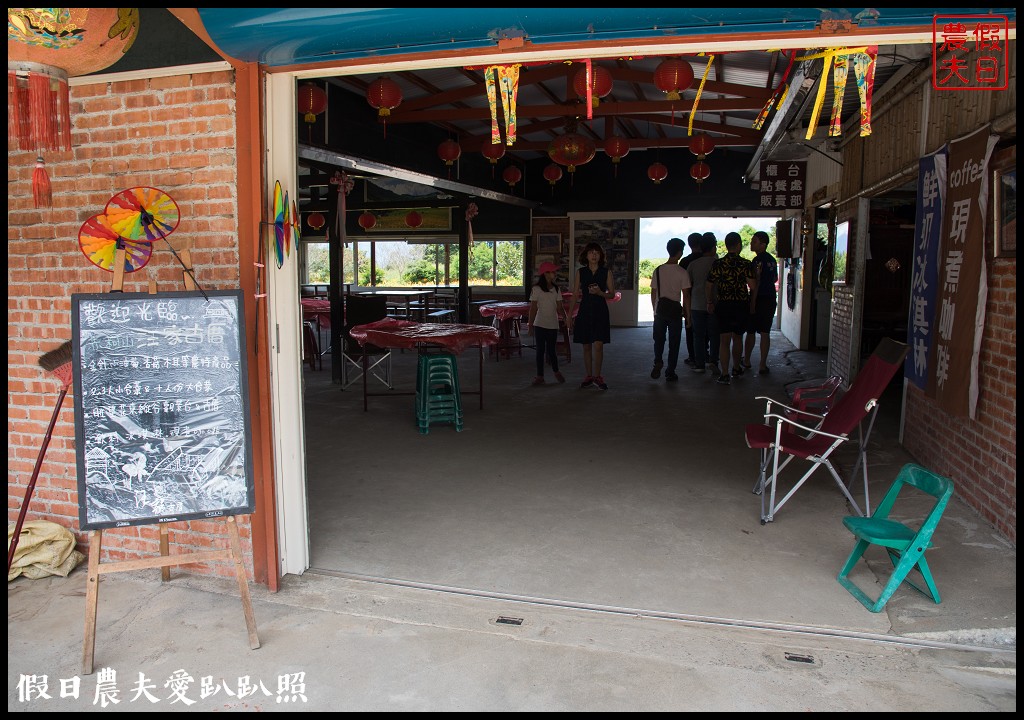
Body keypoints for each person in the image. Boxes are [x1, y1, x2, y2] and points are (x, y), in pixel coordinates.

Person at [705, 231, 754, 385]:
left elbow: (709, 285)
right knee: (738, 337)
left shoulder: (718, 264)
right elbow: (752, 286)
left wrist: (710, 302)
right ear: (739, 245)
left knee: (724, 340)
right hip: (740, 305)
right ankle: (736, 368)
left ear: (726, 246)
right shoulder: (746, 264)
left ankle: (725, 374)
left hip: (723, 305)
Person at [569, 241, 616, 390]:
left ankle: (598, 375)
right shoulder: (581, 272)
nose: (594, 255)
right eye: (591, 252)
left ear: (601, 255)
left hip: (600, 310)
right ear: (586, 255)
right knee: (586, 345)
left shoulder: (606, 272)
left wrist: (600, 293)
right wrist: (569, 315)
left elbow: (612, 294)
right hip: (585, 310)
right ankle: (589, 375)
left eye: (596, 252)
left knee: (599, 344)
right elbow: (575, 294)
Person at [650, 237, 691, 381]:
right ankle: (670, 371)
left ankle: (658, 361)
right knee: (674, 342)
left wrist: (654, 311)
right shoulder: (682, 272)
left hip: (660, 310)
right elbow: (686, 296)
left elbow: (653, 293)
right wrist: (688, 316)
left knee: (659, 339)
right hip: (675, 311)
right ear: (680, 253)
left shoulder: (658, 270)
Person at [743, 230, 779, 375]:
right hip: (770, 298)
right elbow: (775, 278)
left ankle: (746, 361)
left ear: (763, 244)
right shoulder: (772, 259)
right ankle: (763, 365)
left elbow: (755, 283)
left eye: (754, 241)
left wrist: (752, 303)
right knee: (765, 332)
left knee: (751, 331)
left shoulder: (757, 261)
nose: (751, 243)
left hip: (758, 299)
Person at [528, 261, 569, 385]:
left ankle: (556, 371)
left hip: (552, 324)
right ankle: (540, 376)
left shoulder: (556, 289)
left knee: (552, 350)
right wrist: (530, 325)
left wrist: (566, 319)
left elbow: (560, 307)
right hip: (539, 324)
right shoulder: (536, 289)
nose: (554, 273)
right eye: (552, 271)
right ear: (545, 274)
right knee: (540, 351)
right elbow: (533, 308)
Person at [686, 233, 721, 374]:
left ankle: (699, 364)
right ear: (713, 248)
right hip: (715, 304)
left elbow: (688, 286)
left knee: (698, 336)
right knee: (714, 335)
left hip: (696, 304)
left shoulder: (693, 264)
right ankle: (713, 361)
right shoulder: (718, 263)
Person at [678, 232, 703, 368]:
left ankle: (692, 356)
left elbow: (682, 287)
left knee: (690, 328)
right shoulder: (709, 259)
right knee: (705, 330)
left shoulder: (685, 261)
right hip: (706, 299)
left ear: (689, 244)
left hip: (690, 300)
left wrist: (683, 305)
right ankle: (705, 354)